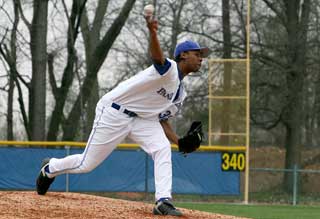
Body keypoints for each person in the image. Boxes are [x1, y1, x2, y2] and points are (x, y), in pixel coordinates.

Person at [36, 14, 208, 216]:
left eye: (201, 55)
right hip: (114, 111)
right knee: (86, 164)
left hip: (142, 120)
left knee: (162, 148)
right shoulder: (169, 68)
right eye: (197, 53)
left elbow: (162, 119)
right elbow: (157, 57)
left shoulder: (181, 93)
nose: (201, 58)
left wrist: (178, 142)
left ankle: (163, 201)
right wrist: (152, 32)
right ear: (183, 55)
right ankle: (50, 167)